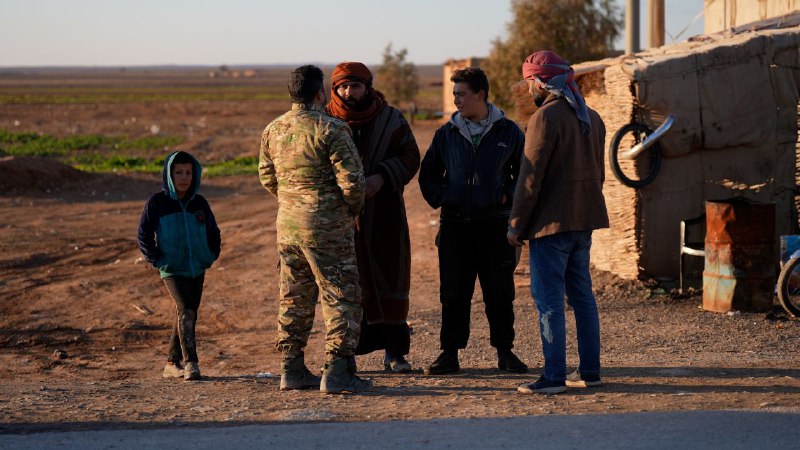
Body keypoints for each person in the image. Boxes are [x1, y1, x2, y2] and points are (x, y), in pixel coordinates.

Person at [259, 64, 372, 394]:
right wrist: (348, 209)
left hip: (288, 227)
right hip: (328, 227)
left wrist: (293, 201)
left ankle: (291, 369)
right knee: (341, 295)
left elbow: (267, 178)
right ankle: (338, 370)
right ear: (320, 93)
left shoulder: (274, 129)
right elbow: (353, 182)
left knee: (293, 297)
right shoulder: (332, 129)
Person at [508, 50, 609, 394]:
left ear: (539, 81)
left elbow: (530, 179)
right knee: (582, 298)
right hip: (584, 222)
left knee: (548, 302)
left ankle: (553, 377)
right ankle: (590, 372)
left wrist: (515, 225)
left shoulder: (545, 118)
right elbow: (600, 174)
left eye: (529, 82)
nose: (528, 89)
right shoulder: (592, 117)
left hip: (551, 227)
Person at [418, 67, 528, 375]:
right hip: (454, 225)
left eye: (461, 94)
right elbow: (428, 175)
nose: (456, 101)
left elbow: (523, 176)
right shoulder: (446, 133)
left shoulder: (509, 132)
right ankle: (449, 355)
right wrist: (444, 197)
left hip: (494, 225)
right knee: (453, 292)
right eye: (454, 94)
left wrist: (505, 194)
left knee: (500, 291)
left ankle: (506, 353)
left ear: (480, 95)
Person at [325, 62, 420, 373]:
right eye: (343, 87)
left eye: (356, 86)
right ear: (334, 89)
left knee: (391, 278)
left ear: (368, 86)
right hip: (340, 218)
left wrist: (382, 177)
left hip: (386, 214)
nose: (349, 92)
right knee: (346, 286)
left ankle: (395, 352)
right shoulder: (325, 120)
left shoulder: (391, 119)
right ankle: (345, 354)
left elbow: (410, 156)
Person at [137, 150, 221, 381]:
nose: (184, 177)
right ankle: (191, 362)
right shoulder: (157, 203)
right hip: (172, 268)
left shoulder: (199, 203)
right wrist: (156, 259)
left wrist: (210, 254)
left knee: (186, 312)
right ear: (168, 175)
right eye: (178, 173)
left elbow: (213, 231)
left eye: (188, 173)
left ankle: (172, 363)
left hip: (197, 267)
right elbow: (143, 233)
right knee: (186, 309)